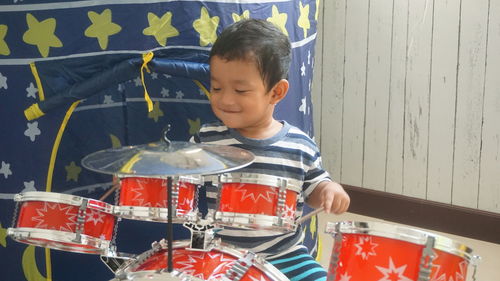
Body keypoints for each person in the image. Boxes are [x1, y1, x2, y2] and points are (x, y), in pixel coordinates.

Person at [191, 18, 350, 281]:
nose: (225, 99)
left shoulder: (299, 145)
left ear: (276, 92)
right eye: (216, 87)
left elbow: (314, 186)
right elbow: (175, 174)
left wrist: (330, 190)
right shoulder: (208, 139)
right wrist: (139, 177)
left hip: (286, 254)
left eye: (240, 90)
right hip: (222, 254)